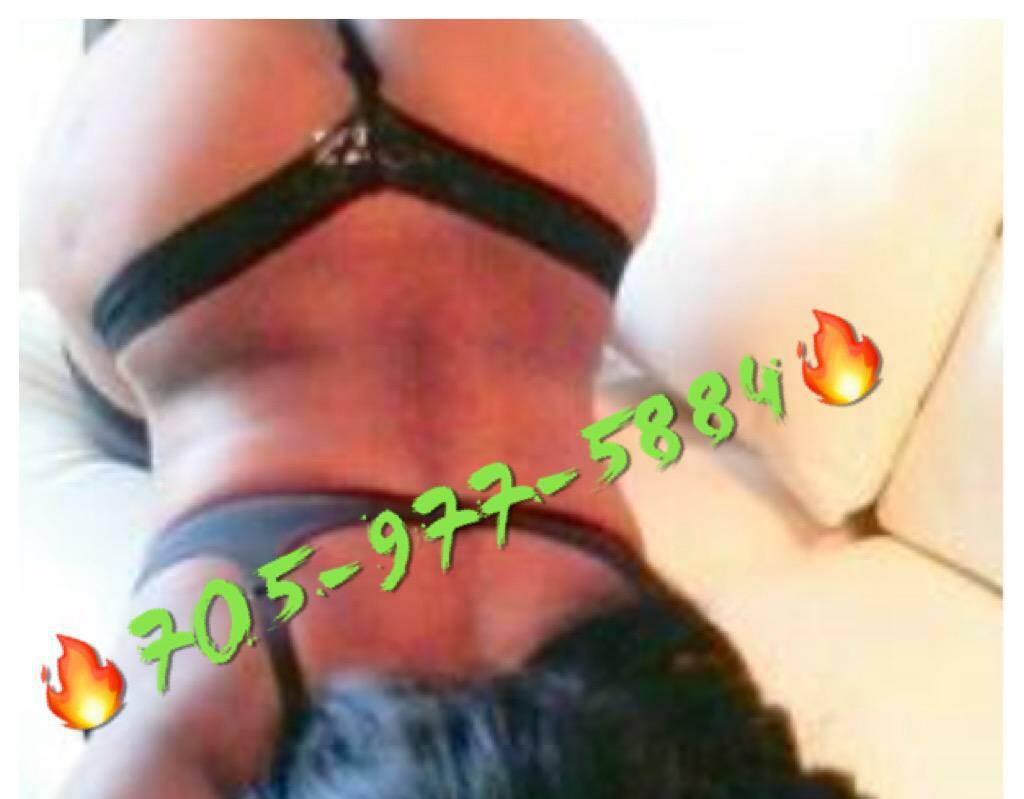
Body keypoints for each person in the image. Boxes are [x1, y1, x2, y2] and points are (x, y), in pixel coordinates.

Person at [23, 20, 862, 798]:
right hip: (182, 170)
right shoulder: (212, 690)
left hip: (538, 142)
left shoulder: (670, 734)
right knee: (134, 403)